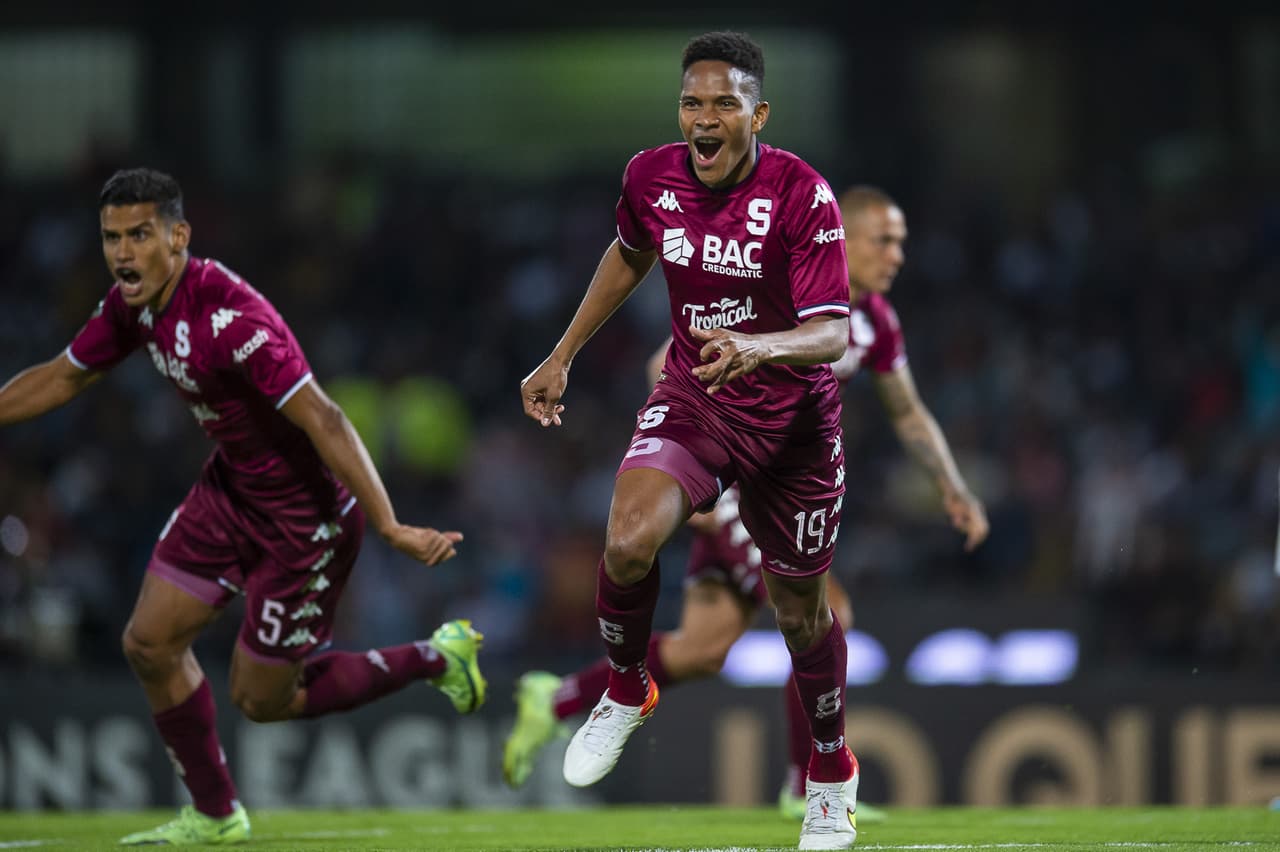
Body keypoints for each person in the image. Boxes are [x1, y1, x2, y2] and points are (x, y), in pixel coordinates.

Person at [0, 168, 486, 846]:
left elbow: (327, 418)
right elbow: (61, 376)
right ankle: (217, 814)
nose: (123, 253)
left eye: (140, 235)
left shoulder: (232, 319)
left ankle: (437, 657)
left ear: (179, 236)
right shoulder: (131, 306)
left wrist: (390, 525)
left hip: (305, 521)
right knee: (148, 643)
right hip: (230, 492)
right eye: (112, 238)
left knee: (261, 700)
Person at [505, 187, 988, 826]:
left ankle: (560, 699)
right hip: (728, 479)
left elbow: (908, 412)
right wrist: (688, 472)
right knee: (827, 610)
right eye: (882, 239)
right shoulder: (782, 275)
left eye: (900, 241)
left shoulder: (875, 322)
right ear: (842, 234)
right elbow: (665, 363)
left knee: (703, 650)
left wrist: (953, 486)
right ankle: (803, 779)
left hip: (781, 481)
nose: (895, 254)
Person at [520, 32, 858, 851]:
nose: (704, 120)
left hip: (795, 431)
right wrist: (562, 354)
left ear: (757, 114)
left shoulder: (802, 194)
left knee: (801, 616)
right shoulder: (651, 176)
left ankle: (829, 771)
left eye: (724, 105)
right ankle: (626, 688)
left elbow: (833, 334)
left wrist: (760, 347)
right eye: (692, 103)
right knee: (629, 540)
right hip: (699, 400)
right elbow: (629, 254)